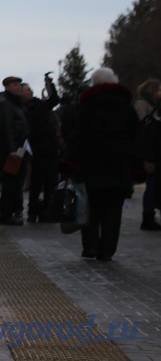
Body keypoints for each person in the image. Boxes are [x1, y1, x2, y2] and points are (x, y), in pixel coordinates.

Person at [68, 67, 139, 260]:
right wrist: (136, 166)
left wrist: (69, 162)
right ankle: (107, 250)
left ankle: (90, 246)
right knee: (113, 211)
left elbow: (79, 136)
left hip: (92, 163)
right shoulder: (126, 106)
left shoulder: (87, 105)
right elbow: (135, 136)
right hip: (119, 164)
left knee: (91, 207)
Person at [0, 76, 31, 225]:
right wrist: (12, 149)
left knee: (16, 184)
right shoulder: (7, 105)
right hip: (13, 152)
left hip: (22, 149)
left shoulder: (19, 104)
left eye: (19, 85)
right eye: (15, 85)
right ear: (7, 87)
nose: (18, 87)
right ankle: (6, 215)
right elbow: (7, 128)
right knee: (10, 184)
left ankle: (11, 212)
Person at [24, 74, 61, 222]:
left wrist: (49, 84)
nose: (30, 91)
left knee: (51, 181)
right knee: (36, 181)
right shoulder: (24, 108)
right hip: (36, 149)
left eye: (31, 89)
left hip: (51, 147)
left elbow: (54, 100)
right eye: (27, 90)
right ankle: (33, 210)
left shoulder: (39, 103)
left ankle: (47, 209)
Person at [135, 79, 161, 231]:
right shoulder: (143, 105)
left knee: (154, 183)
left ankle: (150, 214)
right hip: (150, 151)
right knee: (151, 183)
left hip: (154, 150)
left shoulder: (151, 105)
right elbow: (142, 124)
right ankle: (148, 216)